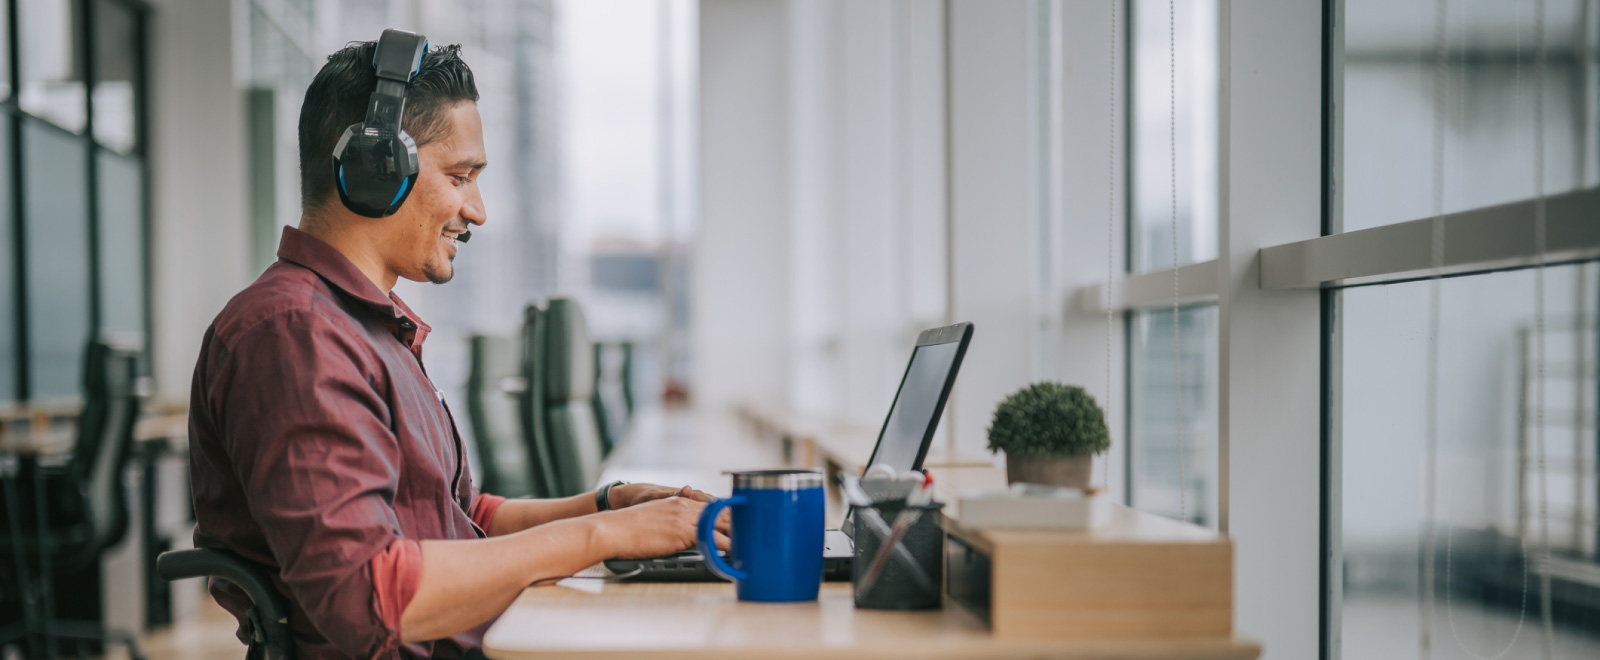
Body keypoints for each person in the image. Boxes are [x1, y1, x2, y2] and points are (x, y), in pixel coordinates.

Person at [187, 39, 726, 659]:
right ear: (375, 169)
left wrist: (612, 505)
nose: (478, 210)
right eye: (460, 176)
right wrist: (607, 535)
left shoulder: (363, 327)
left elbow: (463, 518)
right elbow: (373, 597)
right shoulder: (295, 336)